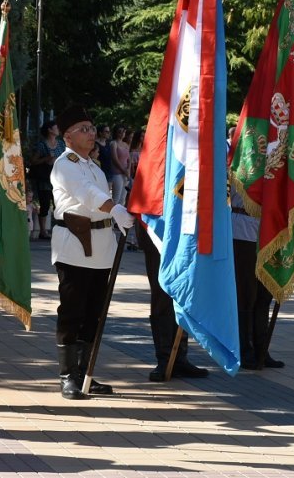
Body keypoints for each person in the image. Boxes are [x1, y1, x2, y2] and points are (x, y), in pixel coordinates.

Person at [50, 106, 135, 400]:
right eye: (83, 129)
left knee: (93, 314)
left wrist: (117, 217)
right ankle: (67, 376)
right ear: (67, 136)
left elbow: (97, 195)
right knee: (72, 312)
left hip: (101, 248)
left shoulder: (94, 166)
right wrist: (115, 208)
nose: (91, 133)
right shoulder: (65, 165)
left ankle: (85, 372)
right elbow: (87, 194)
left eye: (91, 127)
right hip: (74, 247)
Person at [136, 222, 209, 381]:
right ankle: (164, 359)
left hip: (185, 230)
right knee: (162, 296)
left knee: (183, 293)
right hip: (157, 229)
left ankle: (179, 357)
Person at [231, 190, 285, 368]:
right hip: (244, 227)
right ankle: (244, 350)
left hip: (271, 228)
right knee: (247, 293)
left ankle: (261, 349)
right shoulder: (240, 160)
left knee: (264, 294)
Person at [32, 120, 66, 239]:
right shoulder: (42, 145)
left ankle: (59, 229)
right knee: (45, 204)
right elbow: (33, 161)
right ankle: (43, 231)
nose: (58, 129)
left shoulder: (61, 144)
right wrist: (46, 159)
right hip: (45, 179)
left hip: (58, 178)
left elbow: (66, 158)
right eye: (56, 127)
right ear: (50, 130)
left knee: (59, 204)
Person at [109, 125, 130, 205]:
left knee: (123, 198)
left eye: (123, 132)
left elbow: (129, 159)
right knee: (116, 198)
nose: (122, 134)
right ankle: (112, 217)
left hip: (125, 174)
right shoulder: (113, 143)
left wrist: (128, 169)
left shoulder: (126, 144)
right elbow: (115, 159)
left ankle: (120, 217)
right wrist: (124, 170)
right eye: (120, 132)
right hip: (117, 173)